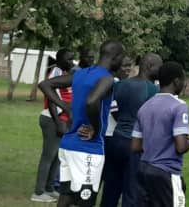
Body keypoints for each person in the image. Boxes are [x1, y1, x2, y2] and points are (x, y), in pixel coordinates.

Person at [39, 40, 126, 207]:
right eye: (122, 58)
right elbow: (91, 101)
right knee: (84, 201)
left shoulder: (81, 73)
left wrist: (65, 106)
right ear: (116, 57)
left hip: (68, 144)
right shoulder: (106, 78)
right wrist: (96, 128)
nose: (123, 63)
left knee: (66, 195)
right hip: (87, 148)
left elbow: (45, 84)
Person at [131, 61, 189, 207]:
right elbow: (181, 147)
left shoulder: (145, 106)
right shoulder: (179, 106)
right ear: (176, 81)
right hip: (166, 172)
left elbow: (135, 146)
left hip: (143, 169)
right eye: (183, 80)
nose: (184, 84)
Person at [101, 54, 158, 207]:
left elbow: (113, 109)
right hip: (135, 144)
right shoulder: (152, 90)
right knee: (132, 191)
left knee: (110, 188)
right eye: (158, 67)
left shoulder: (120, 85)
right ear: (150, 66)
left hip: (116, 139)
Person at [31, 49, 74, 203]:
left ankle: (49, 188)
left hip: (62, 119)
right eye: (68, 59)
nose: (71, 62)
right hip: (52, 119)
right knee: (48, 156)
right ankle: (38, 192)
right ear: (59, 60)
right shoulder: (56, 73)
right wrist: (58, 121)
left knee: (57, 157)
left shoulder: (63, 73)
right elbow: (51, 99)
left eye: (72, 59)